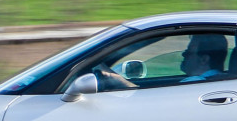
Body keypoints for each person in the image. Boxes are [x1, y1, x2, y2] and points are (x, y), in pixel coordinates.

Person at [93, 33, 228, 89]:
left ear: (204, 59)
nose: (183, 54)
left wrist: (116, 80)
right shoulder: (214, 81)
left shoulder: (195, 85)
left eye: (189, 51)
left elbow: (151, 106)